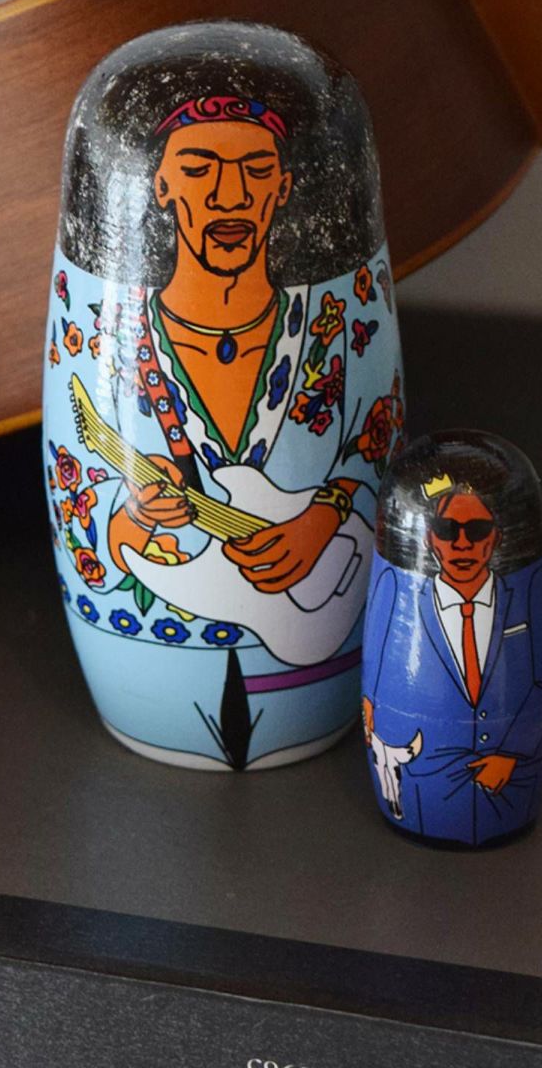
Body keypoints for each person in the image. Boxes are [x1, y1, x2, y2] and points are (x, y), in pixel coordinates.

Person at [47, 93, 403, 770]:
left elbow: (376, 439)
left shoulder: (336, 316)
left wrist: (325, 515)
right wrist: (128, 522)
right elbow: (76, 479)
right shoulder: (107, 328)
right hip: (154, 652)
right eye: (198, 169)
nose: (229, 195)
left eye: (256, 170)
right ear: (160, 188)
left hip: (318, 645)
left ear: (283, 189)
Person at [362, 480, 542, 845]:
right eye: (447, 530)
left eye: (477, 530)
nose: (462, 543)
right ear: (429, 541)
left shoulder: (526, 590)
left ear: (495, 539)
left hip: (511, 785)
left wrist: (510, 753)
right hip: (426, 785)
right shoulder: (403, 594)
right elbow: (377, 678)